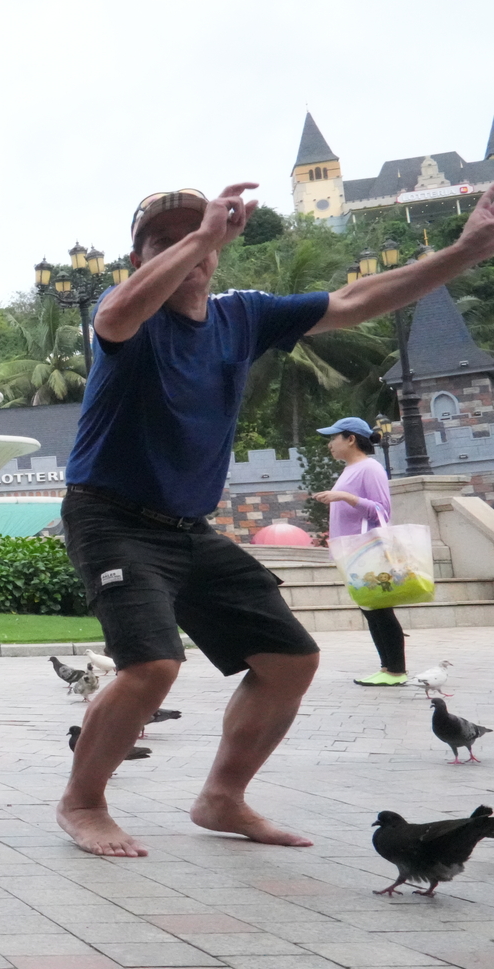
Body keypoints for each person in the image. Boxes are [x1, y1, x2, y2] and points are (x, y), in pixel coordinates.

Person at [57, 182, 494, 858]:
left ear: (217, 257)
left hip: (187, 527)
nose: (186, 248)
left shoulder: (242, 316)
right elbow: (115, 313)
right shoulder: (129, 317)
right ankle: (83, 803)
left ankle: (222, 798)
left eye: (196, 237)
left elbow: (354, 301)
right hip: (109, 517)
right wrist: (205, 236)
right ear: (138, 259)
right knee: (152, 666)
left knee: (291, 660)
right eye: (164, 241)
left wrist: (467, 251)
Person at [311, 417, 400, 685]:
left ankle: (395, 670)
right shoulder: (351, 469)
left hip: (368, 550)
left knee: (380, 610)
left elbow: (382, 510)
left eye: (333, 438)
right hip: (352, 552)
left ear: (350, 439)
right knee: (371, 610)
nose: (330, 444)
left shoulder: (369, 468)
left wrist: (345, 497)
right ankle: (387, 668)